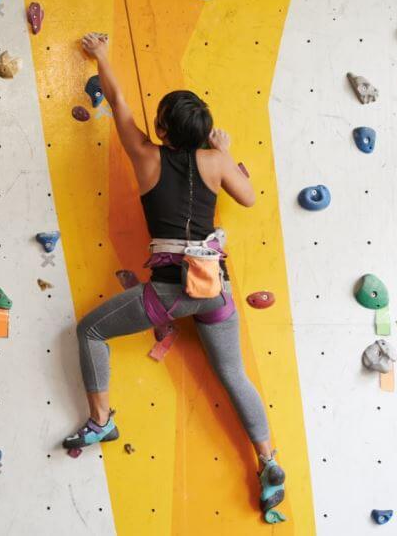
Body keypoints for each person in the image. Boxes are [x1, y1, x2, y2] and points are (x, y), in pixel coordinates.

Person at [62, 33, 285, 522]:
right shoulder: (215, 160)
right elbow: (248, 197)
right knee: (234, 374)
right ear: (202, 132)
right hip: (216, 290)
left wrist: (102, 55)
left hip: (171, 292)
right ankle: (268, 459)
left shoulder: (146, 156)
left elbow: (118, 102)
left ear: (162, 129)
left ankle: (101, 421)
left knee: (89, 330)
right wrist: (222, 150)